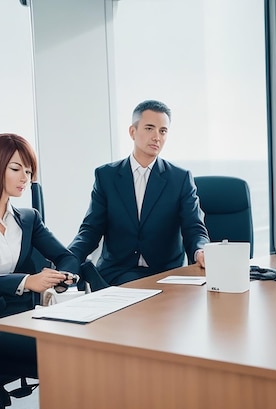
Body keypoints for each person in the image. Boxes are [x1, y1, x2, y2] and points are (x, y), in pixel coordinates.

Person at [69, 100, 210, 286]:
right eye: (150, 128)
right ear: (132, 132)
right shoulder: (106, 176)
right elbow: (90, 230)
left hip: (165, 274)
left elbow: (194, 228)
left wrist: (201, 250)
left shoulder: (180, 178)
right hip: (117, 274)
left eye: (163, 131)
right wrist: (67, 259)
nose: (157, 137)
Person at [0, 133, 79, 409]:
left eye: (29, 171)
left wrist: (65, 275)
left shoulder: (28, 218)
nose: (25, 177)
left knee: (78, 344)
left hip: (19, 316)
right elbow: (25, 280)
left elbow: (67, 256)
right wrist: (25, 281)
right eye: (16, 168)